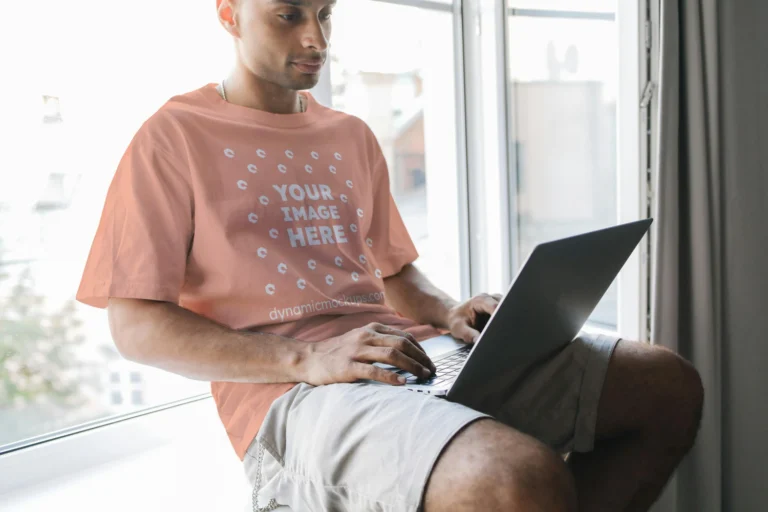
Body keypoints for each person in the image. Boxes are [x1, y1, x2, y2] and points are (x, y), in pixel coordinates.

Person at [76, 0, 704, 510]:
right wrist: (310, 356)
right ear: (229, 13)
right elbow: (136, 326)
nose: (315, 37)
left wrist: (450, 311)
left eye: (326, 13)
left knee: (665, 386)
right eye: (289, 14)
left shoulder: (348, 134)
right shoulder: (173, 137)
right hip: (292, 394)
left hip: (408, 354)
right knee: (518, 478)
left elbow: (394, 272)